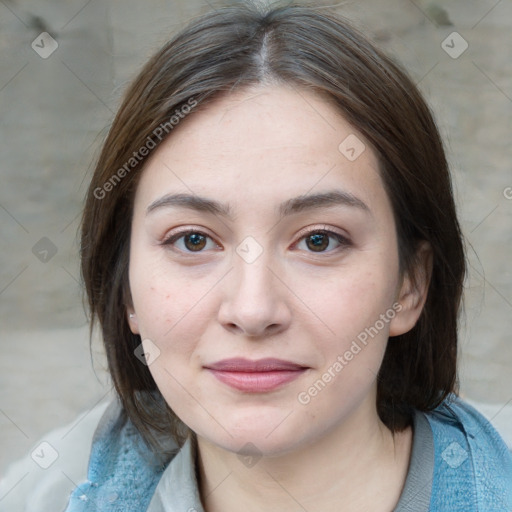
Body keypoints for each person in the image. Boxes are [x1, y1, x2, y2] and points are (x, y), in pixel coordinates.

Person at [64, 1, 512, 510]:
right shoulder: (47, 488)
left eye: (319, 240)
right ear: (126, 289)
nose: (253, 310)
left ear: (409, 284)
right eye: (193, 240)